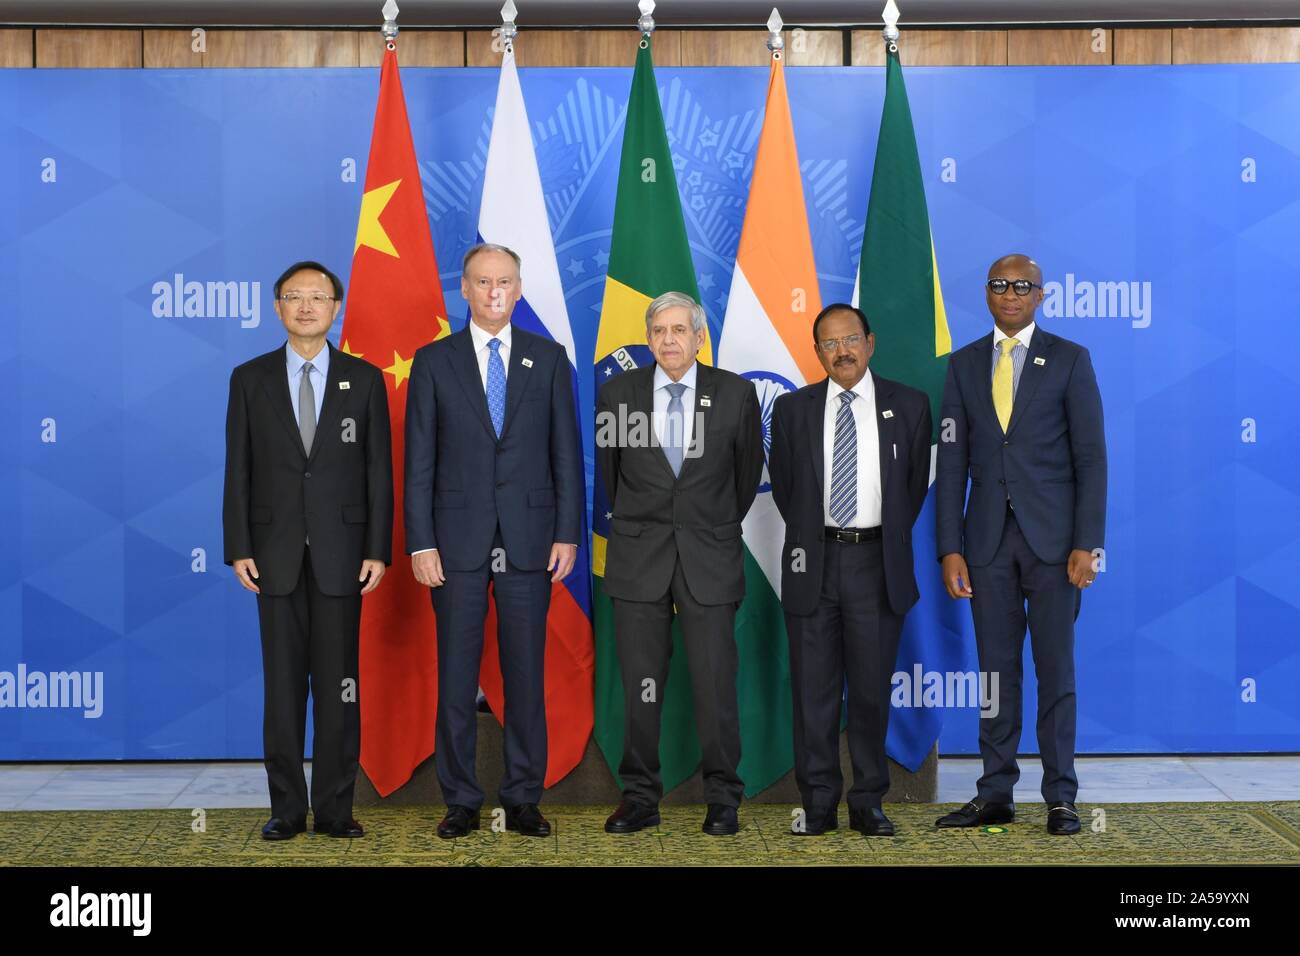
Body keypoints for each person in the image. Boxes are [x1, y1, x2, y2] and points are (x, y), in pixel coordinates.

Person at [404, 243, 583, 839]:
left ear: (519, 288)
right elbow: (419, 462)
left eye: (504, 281)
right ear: (465, 289)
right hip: (453, 543)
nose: (494, 292)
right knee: (456, 674)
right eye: (483, 282)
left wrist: (566, 533)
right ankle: (460, 799)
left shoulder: (549, 358)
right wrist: (420, 543)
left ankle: (524, 797)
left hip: (532, 540)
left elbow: (566, 453)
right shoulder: (434, 362)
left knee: (525, 673)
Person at [934, 254, 1106, 836]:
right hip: (984, 543)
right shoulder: (962, 366)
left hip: (1056, 546)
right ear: (986, 294)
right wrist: (949, 548)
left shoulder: (1069, 359)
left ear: (1041, 295)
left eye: (1022, 286)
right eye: (1000, 285)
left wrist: (1088, 543)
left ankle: (1060, 796)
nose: (1010, 294)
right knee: (993, 674)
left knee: (1055, 671)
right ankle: (994, 793)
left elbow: (1091, 459)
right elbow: (951, 459)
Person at [223, 260, 393, 840]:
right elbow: (238, 471)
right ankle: (286, 809)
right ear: (277, 307)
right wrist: (238, 545)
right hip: (272, 557)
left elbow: (378, 473)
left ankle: (337, 810)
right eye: (294, 297)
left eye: (317, 297)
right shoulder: (250, 379)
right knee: (283, 690)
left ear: (335, 307)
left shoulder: (364, 379)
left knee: (340, 689)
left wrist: (378, 549)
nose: (305, 307)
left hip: (344, 556)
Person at [596, 291, 764, 836]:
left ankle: (723, 798)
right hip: (637, 558)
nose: (668, 340)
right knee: (640, 683)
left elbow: (744, 481)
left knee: (716, 682)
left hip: (709, 557)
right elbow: (609, 480)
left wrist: (704, 526)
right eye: (658, 331)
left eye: (678, 330)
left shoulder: (736, 394)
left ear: (699, 337)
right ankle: (640, 797)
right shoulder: (617, 394)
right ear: (649, 339)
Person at [768, 303, 931, 837]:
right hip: (813, 560)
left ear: (870, 342)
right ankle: (818, 802)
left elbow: (911, 491)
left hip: (877, 562)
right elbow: (789, 491)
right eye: (829, 344)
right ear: (817, 352)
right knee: (813, 692)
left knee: (868, 691)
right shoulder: (792, 410)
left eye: (851, 340)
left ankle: (868, 801)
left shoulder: (909, 406)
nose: (842, 351)